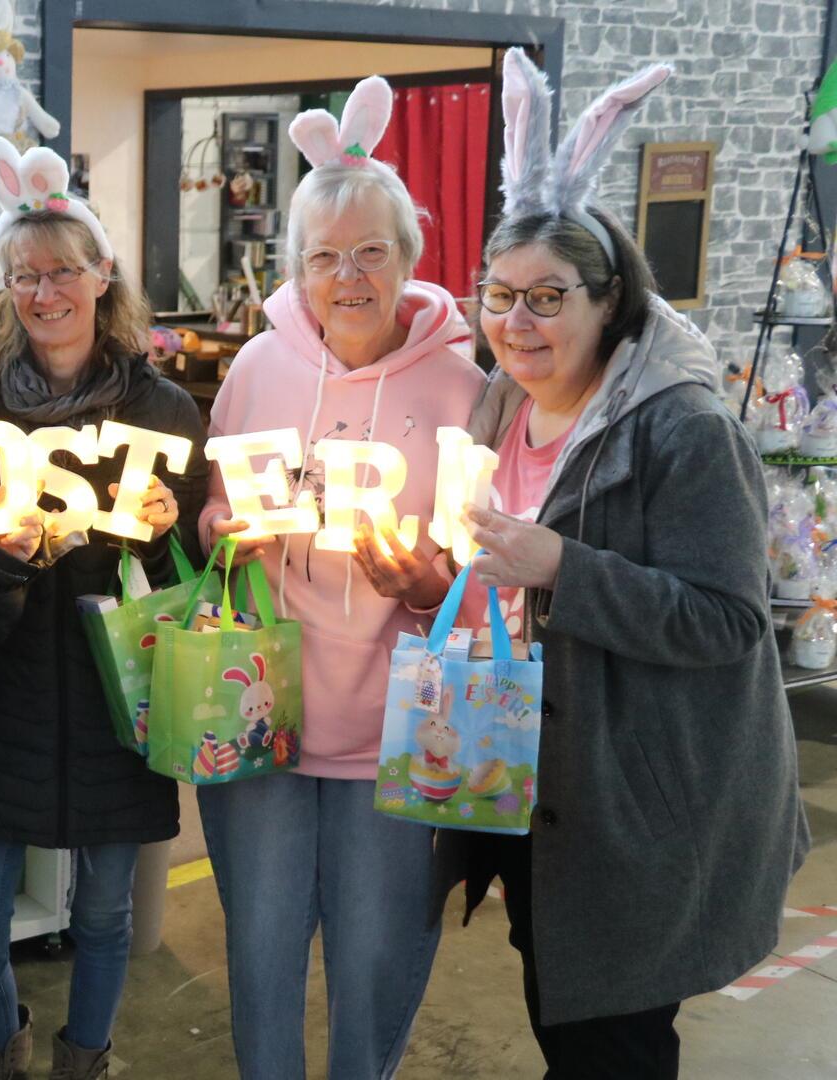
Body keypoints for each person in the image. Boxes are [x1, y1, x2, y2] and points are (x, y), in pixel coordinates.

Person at [448, 52, 808, 1078]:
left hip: (639, 802)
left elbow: (728, 620)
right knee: (566, 1016)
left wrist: (564, 564)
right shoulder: (500, 405)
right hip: (533, 784)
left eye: (547, 298)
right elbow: (500, 579)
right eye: (499, 295)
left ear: (609, 301)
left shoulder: (680, 429)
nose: (516, 324)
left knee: (613, 1042)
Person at [192, 78, 487, 1079]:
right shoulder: (256, 371)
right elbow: (212, 510)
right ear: (298, 269)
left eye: (371, 251)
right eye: (325, 256)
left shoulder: (464, 386)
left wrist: (429, 580)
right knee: (261, 961)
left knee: (376, 963)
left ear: (411, 257)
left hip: (404, 729)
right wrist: (224, 528)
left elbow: (492, 568)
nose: (348, 275)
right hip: (261, 717)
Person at [0, 134, 203, 1080]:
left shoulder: (162, 411)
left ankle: (86, 1060)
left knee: (106, 919)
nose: (44, 293)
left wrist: (167, 534)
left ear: (101, 275)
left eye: (62, 272)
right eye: (23, 276)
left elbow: (191, 579)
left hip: (117, 702)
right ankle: (0, 1059)